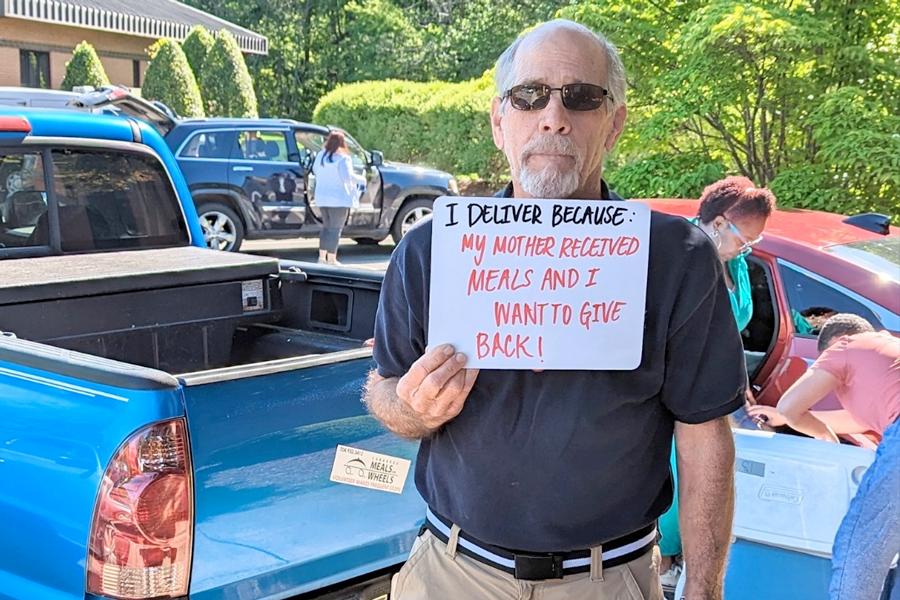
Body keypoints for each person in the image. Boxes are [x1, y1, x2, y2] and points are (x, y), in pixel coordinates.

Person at [364, 19, 748, 600]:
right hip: (450, 572)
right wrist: (413, 408)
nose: (553, 116)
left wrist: (704, 591)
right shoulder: (431, 248)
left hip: (608, 580)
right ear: (499, 121)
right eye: (529, 95)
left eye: (581, 97)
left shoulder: (678, 258)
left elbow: (704, 433)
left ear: (614, 124)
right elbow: (385, 390)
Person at [657, 176, 776, 586]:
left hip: (719, 386)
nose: (749, 248)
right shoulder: (680, 255)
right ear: (721, 223)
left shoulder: (737, 265)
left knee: (714, 485)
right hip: (678, 394)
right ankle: (663, 563)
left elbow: (732, 336)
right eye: (746, 239)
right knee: (675, 486)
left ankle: (682, 570)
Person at [747, 313, 899, 600]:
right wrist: (783, 417)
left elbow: (792, 406)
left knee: (859, 548)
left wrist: (823, 436)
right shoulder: (887, 353)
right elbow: (857, 420)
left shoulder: (844, 346)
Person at [311, 130, 366, 265]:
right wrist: (362, 179)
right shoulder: (343, 158)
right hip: (338, 199)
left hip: (322, 198)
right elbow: (347, 178)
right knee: (335, 229)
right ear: (342, 143)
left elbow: (314, 170)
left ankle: (321, 258)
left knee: (326, 227)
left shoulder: (321, 156)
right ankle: (332, 259)